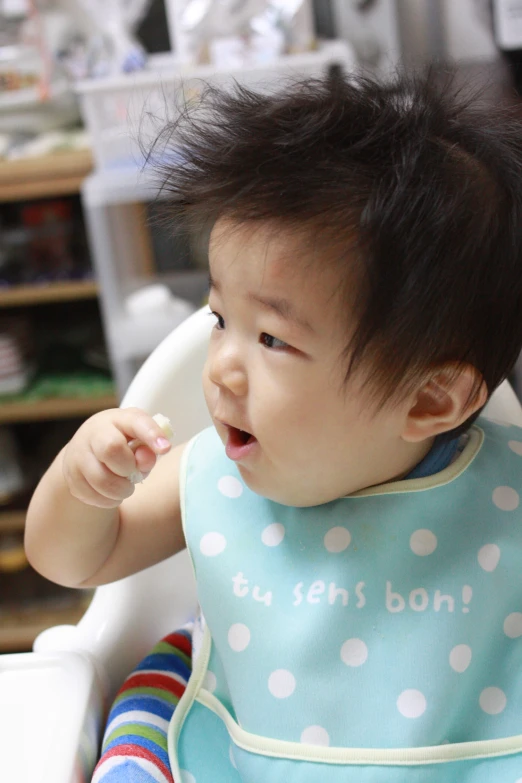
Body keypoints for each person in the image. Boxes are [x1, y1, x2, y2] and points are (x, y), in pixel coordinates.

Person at [25, 69, 522, 782]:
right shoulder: (215, 477)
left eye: (274, 341)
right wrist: (82, 482)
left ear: (430, 402)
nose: (220, 366)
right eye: (222, 319)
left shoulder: (506, 496)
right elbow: (69, 561)